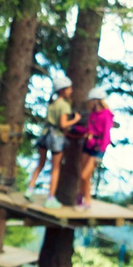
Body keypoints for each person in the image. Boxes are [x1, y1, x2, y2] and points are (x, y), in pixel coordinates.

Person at [26, 76, 81, 208]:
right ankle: (50, 198)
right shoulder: (64, 106)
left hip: (45, 135)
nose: (71, 91)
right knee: (55, 168)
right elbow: (62, 124)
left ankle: (30, 188)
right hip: (55, 138)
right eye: (69, 88)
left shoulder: (52, 103)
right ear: (63, 90)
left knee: (41, 164)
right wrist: (75, 120)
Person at [78, 87, 113, 210]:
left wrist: (100, 153)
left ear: (96, 100)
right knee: (86, 176)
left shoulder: (106, 114)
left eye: (91, 100)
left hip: (97, 148)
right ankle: (85, 200)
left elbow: (106, 135)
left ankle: (84, 197)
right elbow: (89, 129)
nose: (90, 103)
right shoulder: (93, 113)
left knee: (84, 175)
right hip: (88, 145)